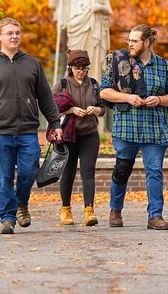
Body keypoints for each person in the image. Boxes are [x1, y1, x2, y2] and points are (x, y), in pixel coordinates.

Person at [0, 17, 63, 234]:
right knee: (3, 178)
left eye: (17, 33)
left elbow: (46, 98)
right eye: (10, 33)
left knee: (29, 172)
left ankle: (21, 203)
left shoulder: (32, 64)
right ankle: (7, 218)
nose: (14, 36)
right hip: (0, 132)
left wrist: (55, 123)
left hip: (28, 130)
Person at [100, 24, 168, 230]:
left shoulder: (163, 66)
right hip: (126, 127)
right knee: (122, 170)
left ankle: (155, 215)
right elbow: (104, 92)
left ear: (146, 42)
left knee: (154, 171)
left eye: (134, 41)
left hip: (154, 128)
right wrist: (128, 97)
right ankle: (115, 210)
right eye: (129, 40)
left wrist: (160, 100)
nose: (130, 44)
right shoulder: (119, 63)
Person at [51, 49, 106, 226]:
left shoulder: (94, 84)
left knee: (88, 173)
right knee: (68, 174)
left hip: (89, 134)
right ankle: (65, 210)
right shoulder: (62, 84)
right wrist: (71, 110)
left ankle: (89, 210)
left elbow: (102, 108)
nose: (80, 71)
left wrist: (94, 110)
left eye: (84, 68)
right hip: (69, 135)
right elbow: (50, 107)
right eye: (77, 68)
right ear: (70, 67)